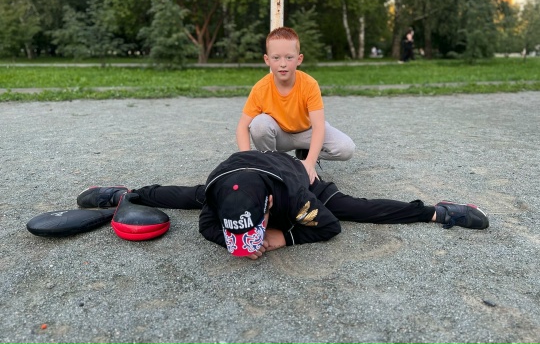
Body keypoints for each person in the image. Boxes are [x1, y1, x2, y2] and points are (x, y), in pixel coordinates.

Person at [77, 150, 489, 260]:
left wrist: (282, 237)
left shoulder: (295, 197)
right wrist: (230, 239)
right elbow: (206, 227)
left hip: (292, 176)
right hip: (236, 175)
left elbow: (329, 227)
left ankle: (437, 211)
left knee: (355, 209)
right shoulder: (214, 194)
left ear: (270, 205)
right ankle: (124, 193)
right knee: (182, 196)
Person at [236, 27, 355, 184]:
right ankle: (273, 165)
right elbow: (242, 127)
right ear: (267, 60)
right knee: (259, 124)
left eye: (289, 57)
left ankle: (305, 156)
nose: (283, 64)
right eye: (276, 58)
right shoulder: (261, 88)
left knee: (346, 148)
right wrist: (247, 161)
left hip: (307, 132)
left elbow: (318, 127)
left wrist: (310, 163)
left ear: (299, 59)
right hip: (280, 136)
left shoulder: (309, 84)